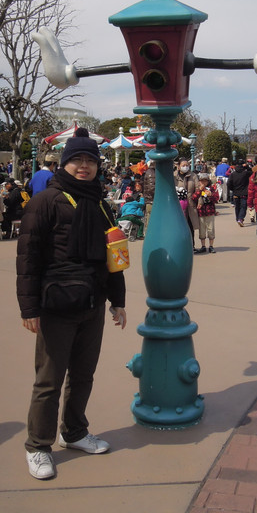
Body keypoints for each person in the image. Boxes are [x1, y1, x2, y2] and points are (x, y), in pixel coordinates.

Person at [17, 129, 126, 481]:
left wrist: (118, 301)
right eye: (77, 159)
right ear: (64, 163)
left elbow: (114, 256)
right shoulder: (45, 202)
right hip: (57, 304)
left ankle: (75, 432)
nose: (84, 166)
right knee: (49, 380)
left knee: (83, 375)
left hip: (92, 302)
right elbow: (28, 259)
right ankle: (38, 445)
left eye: (90, 160)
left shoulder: (101, 204)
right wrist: (29, 308)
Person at [174, 159, 200, 253]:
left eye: (187, 165)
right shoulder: (174, 176)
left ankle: (191, 246)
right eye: (183, 165)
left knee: (190, 226)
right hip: (178, 205)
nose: (185, 167)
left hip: (190, 204)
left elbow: (197, 189)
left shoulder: (193, 175)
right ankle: (180, 247)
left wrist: (199, 200)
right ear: (178, 166)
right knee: (179, 227)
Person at [192, 174, 219, 253]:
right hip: (201, 212)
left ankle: (211, 246)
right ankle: (203, 246)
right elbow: (194, 198)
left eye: (205, 181)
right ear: (199, 181)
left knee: (211, 230)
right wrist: (199, 190)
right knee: (202, 231)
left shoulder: (212, 188)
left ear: (208, 181)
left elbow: (216, 199)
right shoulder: (197, 189)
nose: (203, 182)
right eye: (202, 181)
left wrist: (211, 195)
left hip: (210, 212)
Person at [227, 159, 252, 226]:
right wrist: (247, 167)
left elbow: (229, 183)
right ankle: (240, 218)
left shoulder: (233, 174)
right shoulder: (245, 173)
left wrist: (232, 189)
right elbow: (252, 172)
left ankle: (238, 218)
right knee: (243, 207)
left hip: (235, 192)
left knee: (237, 207)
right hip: (244, 192)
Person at [142, 160, 156, 229]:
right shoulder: (152, 172)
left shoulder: (151, 171)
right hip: (152, 201)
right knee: (151, 222)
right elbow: (152, 188)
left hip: (150, 200)